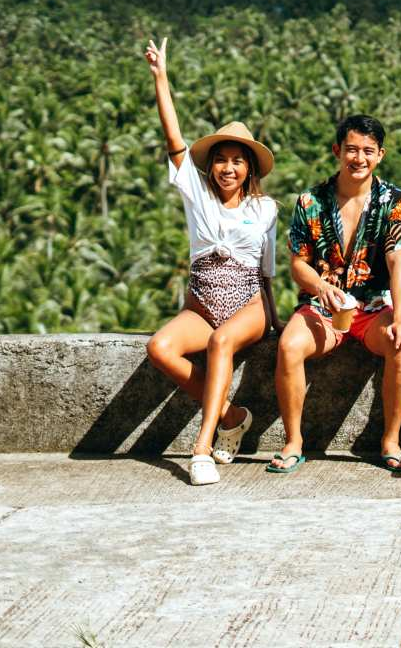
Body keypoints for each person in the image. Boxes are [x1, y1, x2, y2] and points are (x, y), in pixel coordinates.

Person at [142, 36, 278, 487]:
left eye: (238, 161)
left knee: (222, 343)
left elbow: (267, 270)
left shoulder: (267, 209)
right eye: (221, 160)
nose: (228, 168)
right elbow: (173, 138)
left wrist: (272, 318)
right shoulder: (196, 194)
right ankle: (232, 415)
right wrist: (161, 77)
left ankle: (201, 449)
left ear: (249, 169)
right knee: (159, 348)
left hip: (248, 303)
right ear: (211, 166)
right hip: (201, 301)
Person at [270, 114, 401, 476]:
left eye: (368, 151)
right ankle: (293, 442)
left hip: (372, 307)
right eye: (352, 149)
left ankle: (391, 441)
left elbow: (400, 264)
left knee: (400, 344)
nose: (359, 158)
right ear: (338, 151)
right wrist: (321, 287)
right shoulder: (311, 201)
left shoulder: (393, 201)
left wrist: (400, 319)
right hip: (323, 307)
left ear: (380, 154)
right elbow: (298, 265)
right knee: (289, 347)